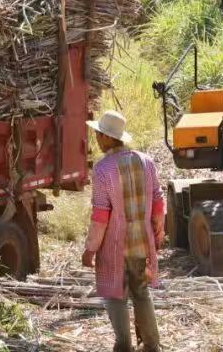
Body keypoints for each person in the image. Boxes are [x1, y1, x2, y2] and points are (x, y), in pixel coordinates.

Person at [82, 111, 164, 352]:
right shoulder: (146, 162)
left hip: (114, 248)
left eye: (98, 133)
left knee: (116, 295)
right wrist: (157, 235)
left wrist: (90, 249)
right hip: (141, 244)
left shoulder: (102, 169)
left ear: (108, 138)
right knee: (141, 293)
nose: (96, 137)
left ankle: (123, 346)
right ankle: (151, 345)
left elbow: (100, 215)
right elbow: (158, 201)